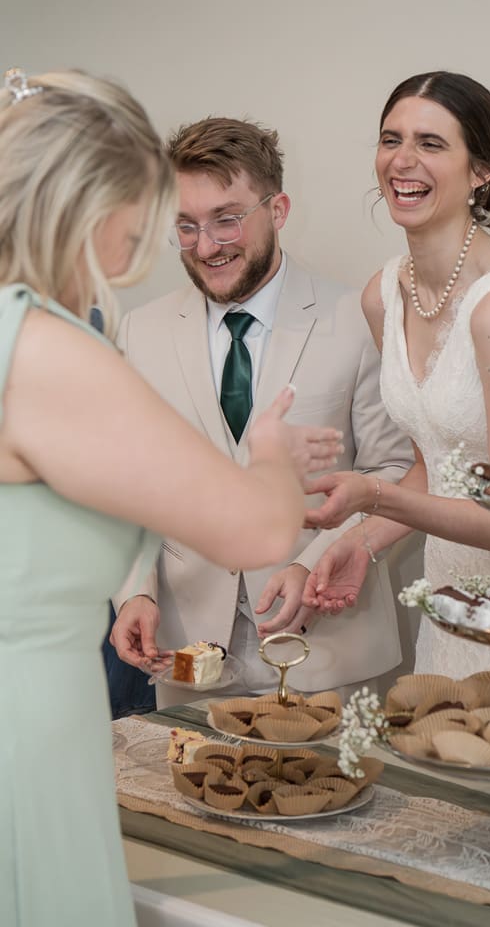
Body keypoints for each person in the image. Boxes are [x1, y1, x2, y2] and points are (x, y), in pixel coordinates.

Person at [0, 67, 342, 927]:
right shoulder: (46, 349)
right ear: (94, 204)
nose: (160, 243)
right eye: (154, 214)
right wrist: (268, 451)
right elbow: (256, 524)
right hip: (24, 729)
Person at [109, 116, 416, 706]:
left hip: (331, 654)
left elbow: (395, 473)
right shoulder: (139, 331)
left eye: (227, 219)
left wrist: (320, 562)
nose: (206, 245)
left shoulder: (359, 318)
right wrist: (135, 593)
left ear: (277, 210)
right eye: (186, 226)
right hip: (186, 658)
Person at [303, 70, 490, 680]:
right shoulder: (383, 296)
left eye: (431, 144)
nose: (402, 162)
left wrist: (372, 495)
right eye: (391, 139)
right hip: (452, 600)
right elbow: (432, 468)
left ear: (481, 171)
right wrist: (356, 546)